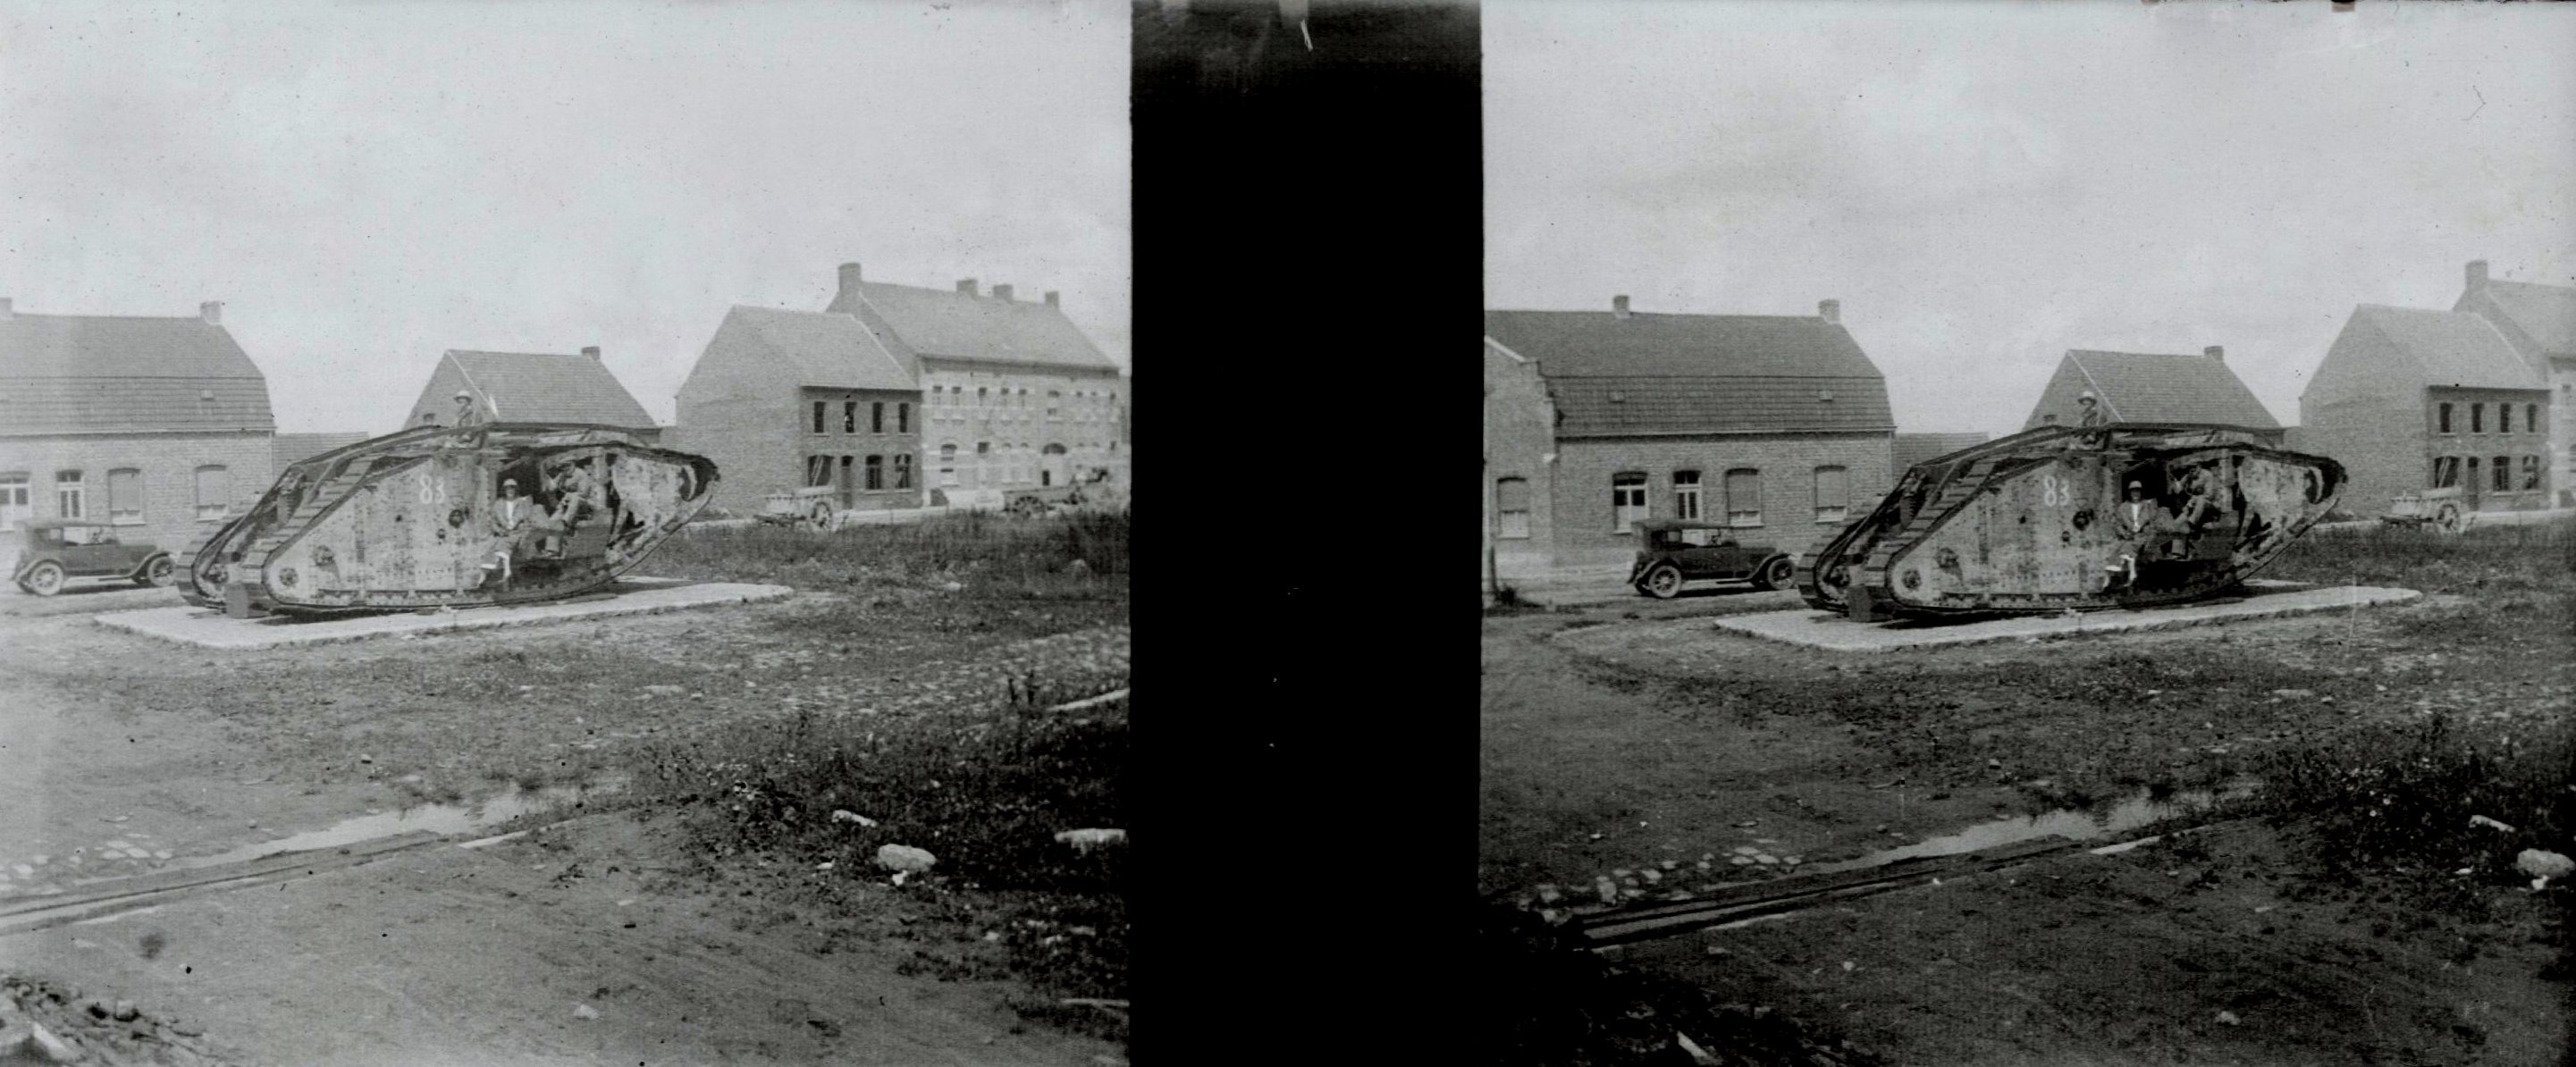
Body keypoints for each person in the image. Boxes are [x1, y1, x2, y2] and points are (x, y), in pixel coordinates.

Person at [482, 478, 533, 585]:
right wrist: (499, 530)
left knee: (504, 543)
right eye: (508, 488)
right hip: (503, 532)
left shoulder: (521, 502)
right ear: (504, 490)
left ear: (516, 490)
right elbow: (493, 521)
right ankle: (486, 573)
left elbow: (519, 516)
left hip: (517, 532)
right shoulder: (499, 503)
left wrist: (508, 528)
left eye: (512, 488)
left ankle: (506, 570)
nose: (510, 490)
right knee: (489, 545)